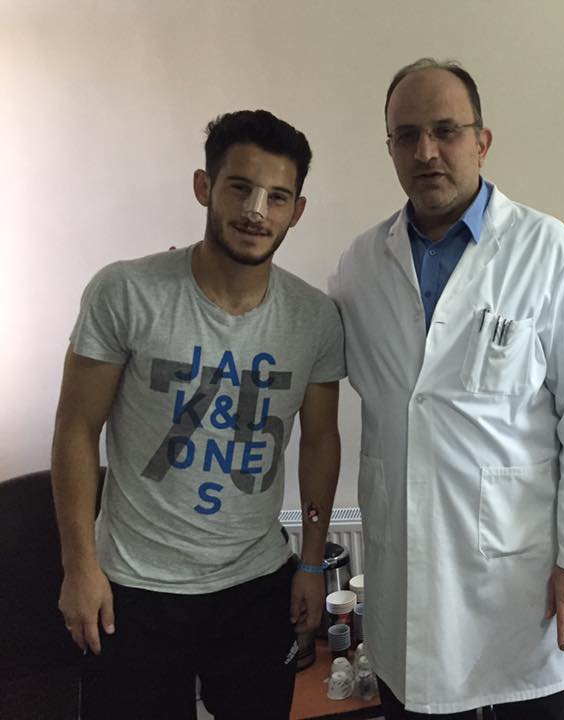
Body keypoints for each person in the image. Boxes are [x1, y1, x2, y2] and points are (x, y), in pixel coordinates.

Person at [328, 59, 564, 719]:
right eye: (407, 135)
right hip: (408, 572)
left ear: (482, 141)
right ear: (389, 148)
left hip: (522, 582)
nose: (426, 152)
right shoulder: (359, 266)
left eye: (446, 130)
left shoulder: (548, 252)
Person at [51, 109, 345, 719]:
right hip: (134, 587)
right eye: (240, 187)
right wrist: (79, 566)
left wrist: (313, 561)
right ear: (204, 187)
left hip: (255, 586)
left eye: (277, 197)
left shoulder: (314, 318)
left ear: (297, 211)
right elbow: (76, 429)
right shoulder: (126, 292)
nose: (256, 211)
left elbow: (320, 440)